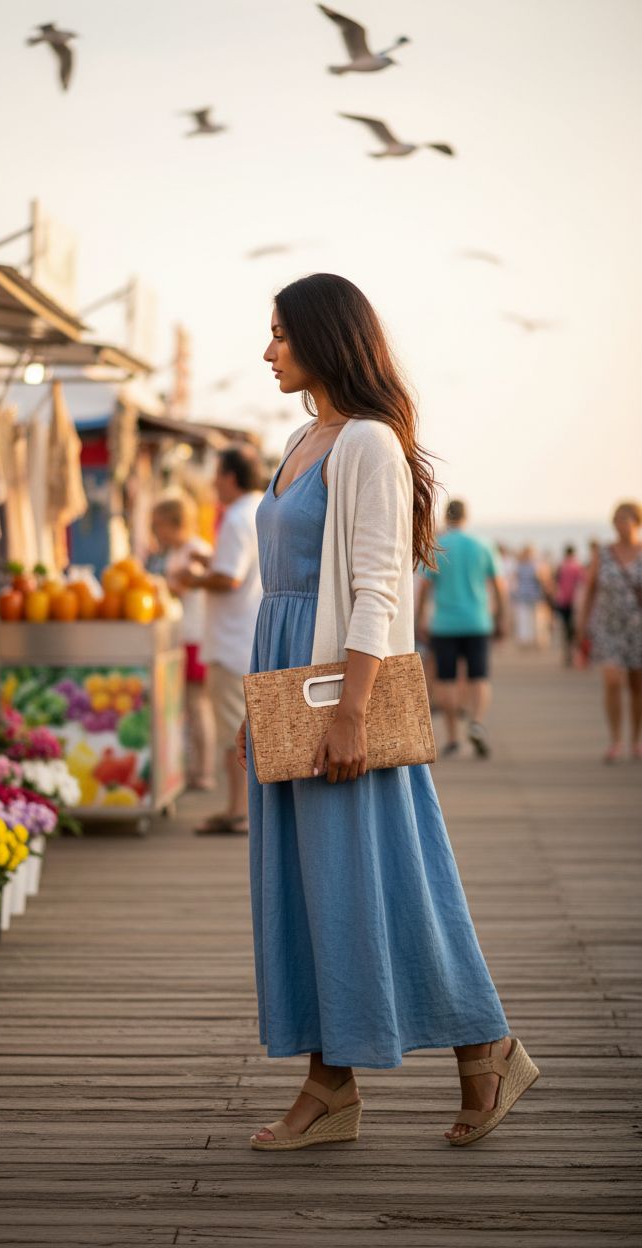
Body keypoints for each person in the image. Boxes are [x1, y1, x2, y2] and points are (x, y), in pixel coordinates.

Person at [237, 273, 538, 1152]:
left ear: (326, 339)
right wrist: (264, 702)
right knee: (309, 888)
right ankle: (331, 1085)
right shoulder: (302, 437)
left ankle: (485, 1045)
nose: (267, 352)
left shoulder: (366, 444)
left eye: (281, 336)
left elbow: (377, 589)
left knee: (388, 878)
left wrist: (349, 712)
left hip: (339, 690)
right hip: (289, 681)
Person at [180, 445, 264, 833]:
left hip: (232, 642)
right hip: (250, 636)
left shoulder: (235, 517)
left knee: (237, 735)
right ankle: (240, 809)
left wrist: (193, 579)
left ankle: (239, 811)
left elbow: (229, 578)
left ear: (230, 476)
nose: (213, 482)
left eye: (217, 474)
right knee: (246, 730)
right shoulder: (260, 508)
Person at [415, 499, 508, 758]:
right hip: (477, 621)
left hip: (444, 623)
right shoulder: (483, 545)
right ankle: (476, 722)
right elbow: (499, 586)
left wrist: (421, 617)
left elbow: (424, 586)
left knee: (446, 679)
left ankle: (453, 737)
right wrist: (501, 615)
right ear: (467, 517)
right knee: (479, 676)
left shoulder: (437, 546)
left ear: (446, 517)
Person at [151, 491, 216, 791]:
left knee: (197, 704)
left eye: (158, 525)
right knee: (186, 707)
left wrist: (164, 584)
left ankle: (204, 770)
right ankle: (191, 768)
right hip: (183, 636)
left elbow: (184, 589)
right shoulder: (177, 552)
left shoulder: (195, 550)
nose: (155, 532)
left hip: (195, 637)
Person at [577, 502, 642, 763]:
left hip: (638, 628)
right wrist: (582, 625)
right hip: (608, 626)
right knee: (613, 681)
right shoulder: (603, 553)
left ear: (636, 521)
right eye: (616, 519)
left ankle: (636, 740)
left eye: (625, 518)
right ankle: (615, 739)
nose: (620, 524)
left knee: (637, 686)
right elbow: (591, 588)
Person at [511, 546, 553, 649]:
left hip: (524, 595)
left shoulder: (520, 566)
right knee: (536, 620)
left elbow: (515, 580)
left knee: (526, 620)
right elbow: (543, 579)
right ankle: (537, 640)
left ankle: (527, 640)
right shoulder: (536, 565)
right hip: (534, 595)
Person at [553, 544, 584, 667]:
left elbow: (556, 582)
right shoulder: (577, 566)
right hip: (574, 601)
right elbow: (582, 582)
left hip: (562, 600)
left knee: (565, 628)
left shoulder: (561, 566)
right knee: (573, 628)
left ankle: (567, 654)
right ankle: (573, 653)